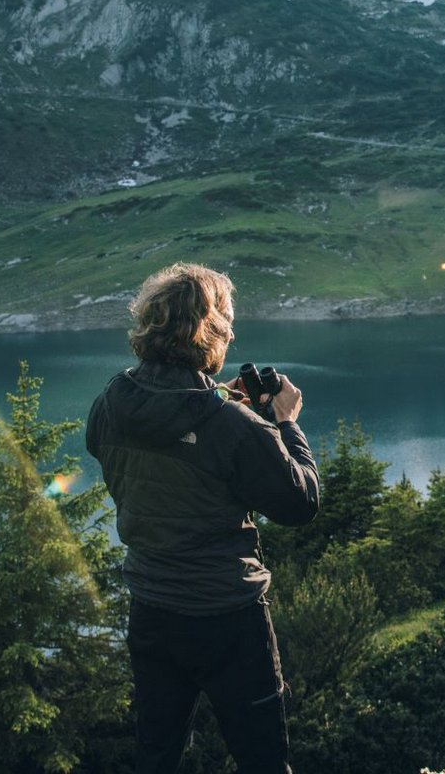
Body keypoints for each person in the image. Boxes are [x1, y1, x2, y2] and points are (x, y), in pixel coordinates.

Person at [86, 262, 320, 774]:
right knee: (262, 759)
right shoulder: (230, 425)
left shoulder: (112, 400)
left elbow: (142, 448)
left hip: (151, 607)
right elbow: (299, 503)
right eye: (227, 321)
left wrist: (216, 399)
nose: (233, 332)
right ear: (207, 331)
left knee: (157, 752)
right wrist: (284, 424)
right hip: (227, 616)